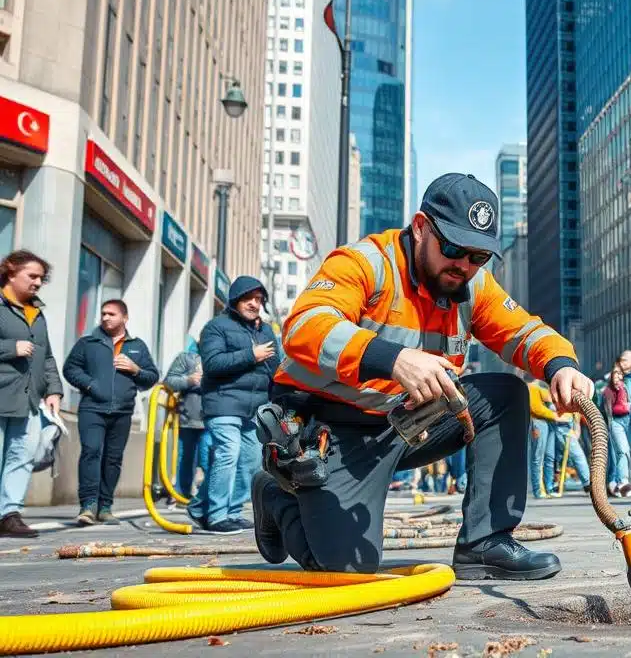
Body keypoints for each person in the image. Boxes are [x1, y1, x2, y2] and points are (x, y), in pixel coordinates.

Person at [254, 173, 591, 578]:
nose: (463, 266)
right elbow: (304, 326)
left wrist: (562, 365)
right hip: (333, 429)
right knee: (344, 568)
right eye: (452, 248)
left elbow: (523, 330)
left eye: (478, 256)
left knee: (506, 394)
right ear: (419, 228)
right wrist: (393, 359)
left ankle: (484, 544)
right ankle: (277, 495)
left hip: (405, 424)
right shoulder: (364, 263)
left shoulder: (473, 284)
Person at [191, 277, 284, 533]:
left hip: (255, 408)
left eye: (258, 299)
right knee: (227, 454)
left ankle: (217, 509)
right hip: (222, 404)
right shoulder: (216, 327)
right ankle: (217, 515)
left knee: (251, 462)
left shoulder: (265, 331)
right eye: (248, 298)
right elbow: (212, 364)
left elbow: (276, 370)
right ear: (235, 301)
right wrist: (250, 355)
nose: (254, 304)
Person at [62, 299, 159, 525]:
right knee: (91, 452)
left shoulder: (137, 346)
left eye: (112, 314)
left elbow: (151, 377)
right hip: (92, 408)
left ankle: (105, 506)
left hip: (123, 412)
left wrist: (135, 369)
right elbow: (70, 369)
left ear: (124, 318)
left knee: (113, 460)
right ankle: (88, 506)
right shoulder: (88, 343)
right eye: (103, 313)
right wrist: (90, 385)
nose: (106, 317)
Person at [0, 251, 62, 538]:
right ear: (11, 272)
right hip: (2, 394)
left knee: (22, 455)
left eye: (41, 278)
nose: (38, 283)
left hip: (29, 399)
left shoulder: (36, 313)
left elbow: (47, 357)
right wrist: (11, 349)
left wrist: (53, 390)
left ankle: (9, 514)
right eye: (32, 276)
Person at [162, 337, 210, 501]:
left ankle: (208, 496)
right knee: (185, 458)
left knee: (210, 458)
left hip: (215, 418)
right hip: (189, 416)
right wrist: (188, 380)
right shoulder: (187, 357)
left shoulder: (224, 357)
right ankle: (181, 493)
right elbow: (169, 381)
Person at [601, 351, 631, 497]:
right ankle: (623, 483)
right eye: (616, 373)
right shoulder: (610, 388)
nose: (619, 375)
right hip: (617, 422)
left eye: (626, 361)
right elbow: (606, 405)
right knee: (622, 451)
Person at [528, 379, 559, 499]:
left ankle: (549, 487)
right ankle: (538, 490)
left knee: (549, 457)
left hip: (550, 423)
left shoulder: (548, 384)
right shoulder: (533, 385)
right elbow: (535, 408)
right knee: (538, 458)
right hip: (539, 422)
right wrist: (554, 415)